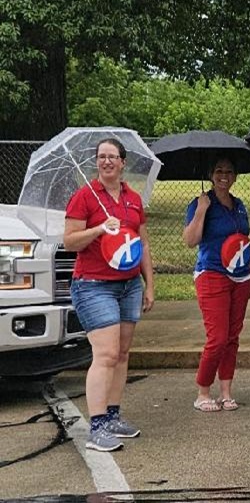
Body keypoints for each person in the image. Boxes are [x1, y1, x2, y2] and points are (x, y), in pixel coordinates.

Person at [63, 138, 156, 452]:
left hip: (129, 285)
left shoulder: (132, 198)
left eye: (112, 157)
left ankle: (114, 415)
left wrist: (149, 285)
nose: (106, 162)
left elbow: (141, 243)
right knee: (105, 354)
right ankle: (98, 424)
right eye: (101, 157)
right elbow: (71, 242)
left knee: (122, 354)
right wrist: (100, 229)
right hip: (93, 285)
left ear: (122, 162)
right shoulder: (84, 197)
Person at [183, 157, 250, 413]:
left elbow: (243, 240)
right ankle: (203, 391)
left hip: (241, 276)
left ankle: (226, 392)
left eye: (229, 171)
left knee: (232, 338)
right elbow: (191, 240)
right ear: (211, 175)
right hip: (213, 273)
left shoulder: (239, 205)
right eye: (218, 171)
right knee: (218, 337)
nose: (224, 176)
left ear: (235, 176)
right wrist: (202, 210)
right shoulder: (200, 203)